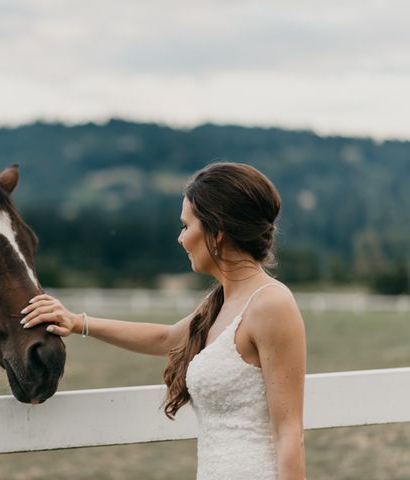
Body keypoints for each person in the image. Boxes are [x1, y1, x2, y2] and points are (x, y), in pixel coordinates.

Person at [21, 162, 306, 480]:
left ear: (217, 231)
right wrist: (77, 322)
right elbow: (165, 338)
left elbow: (289, 433)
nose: (180, 239)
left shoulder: (272, 304)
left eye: (186, 226)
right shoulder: (220, 303)